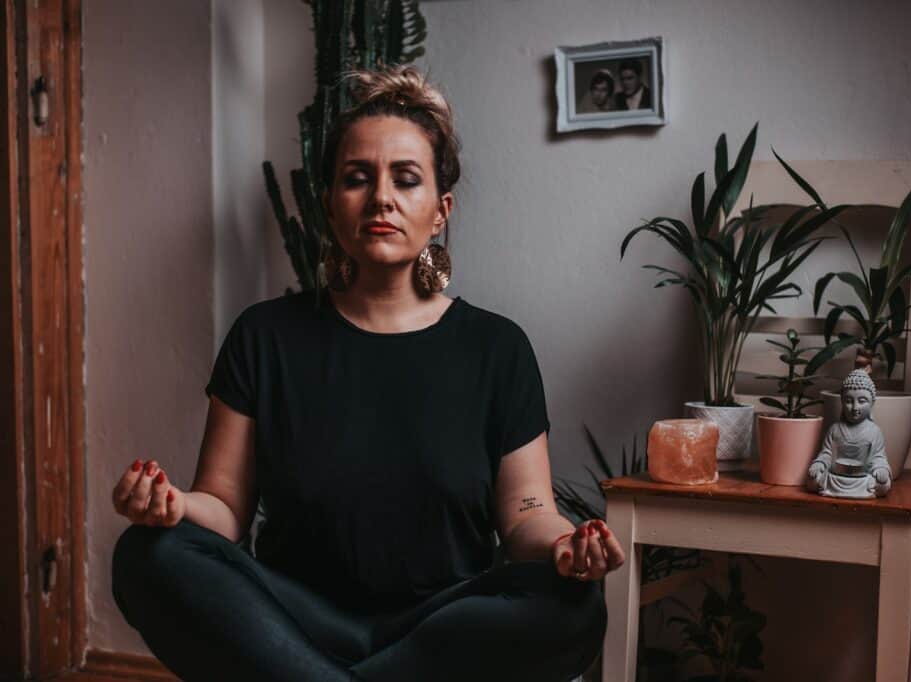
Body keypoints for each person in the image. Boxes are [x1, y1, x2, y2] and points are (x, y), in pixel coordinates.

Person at [109, 64, 621, 682]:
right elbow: (223, 509)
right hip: (294, 615)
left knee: (574, 603)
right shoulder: (264, 336)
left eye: (406, 180)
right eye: (357, 178)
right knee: (147, 555)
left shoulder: (498, 348)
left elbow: (526, 517)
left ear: (440, 210)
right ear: (330, 204)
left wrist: (566, 546)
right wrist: (171, 508)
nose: (381, 197)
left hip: (442, 623)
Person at [807, 369, 893, 498]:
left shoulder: (874, 432)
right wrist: (819, 464)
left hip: (862, 478)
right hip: (836, 476)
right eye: (848, 401)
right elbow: (827, 453)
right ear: (842, 401)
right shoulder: (835, 429)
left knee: (883, 485)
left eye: (862, 401)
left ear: (872, 403)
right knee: (812, 481)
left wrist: (881, 469)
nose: (855, 407)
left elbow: (878, 457)